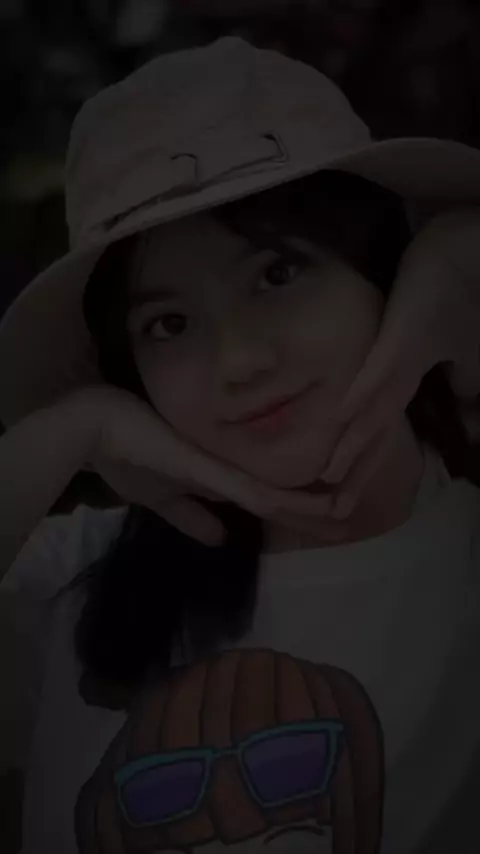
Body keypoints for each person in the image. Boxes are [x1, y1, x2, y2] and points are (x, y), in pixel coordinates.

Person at [1, 36, 480, 854]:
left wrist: (462, 258)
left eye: (278, 273)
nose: (240, 362)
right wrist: (70, 429)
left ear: (385, 273)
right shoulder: (68, 577)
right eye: (169, 323)